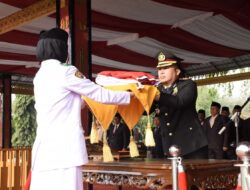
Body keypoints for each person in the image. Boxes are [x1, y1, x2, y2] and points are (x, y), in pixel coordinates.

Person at [30, 28, 133, 190]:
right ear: (61, 49)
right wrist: (129, 95)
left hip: (44, 152)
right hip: (65, 151)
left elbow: (69, 102)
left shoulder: (39, 76)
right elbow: (99, 94)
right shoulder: (66, 71)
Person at [154, 51, 208, 159]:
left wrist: (157, 96)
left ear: (177, 71)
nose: (161, 72)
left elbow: (180, 102)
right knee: (174, 176)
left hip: (192, 145)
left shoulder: (188, 85)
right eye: (159, 69)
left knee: (194, 176)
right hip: (170, 146)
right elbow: (146, 111)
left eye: (166, 68)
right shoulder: (157, 89)